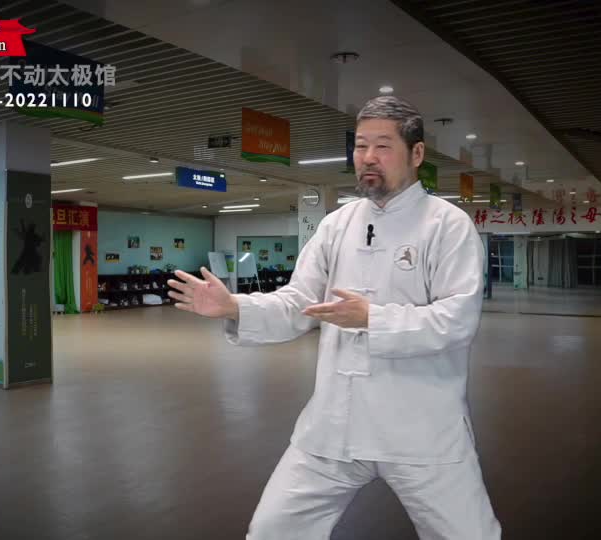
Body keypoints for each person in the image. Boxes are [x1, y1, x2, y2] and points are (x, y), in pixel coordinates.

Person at [168, 95, 500, 539]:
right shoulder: (337, 225)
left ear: (417, 153)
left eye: (383, 146)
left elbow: (456, 320)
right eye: (360, 146)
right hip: (334, 426)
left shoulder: (447, 226)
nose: (368, 157)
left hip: (422, 430)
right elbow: (298, 303)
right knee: (272, 531)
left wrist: (372, 318)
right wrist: (236, 307)